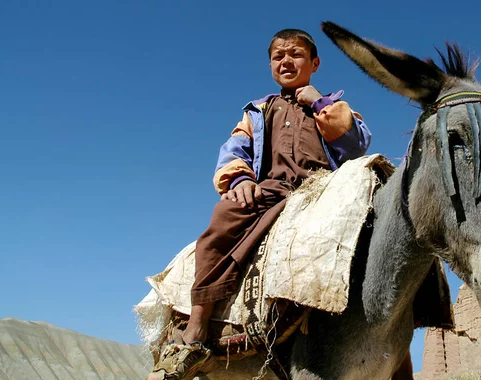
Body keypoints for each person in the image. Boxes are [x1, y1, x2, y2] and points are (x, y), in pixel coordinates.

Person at [148, 28, 371, 380]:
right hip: (267, 190)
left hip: (323, 189)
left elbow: (355, 147)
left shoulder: (332, 106)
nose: (285, 60)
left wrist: (318, 103)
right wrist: (240, 180)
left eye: (295, 54)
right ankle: (196, 330)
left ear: (314, 63)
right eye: (277, 56)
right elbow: (234, 150)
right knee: (224, 217)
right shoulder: (258, 111)